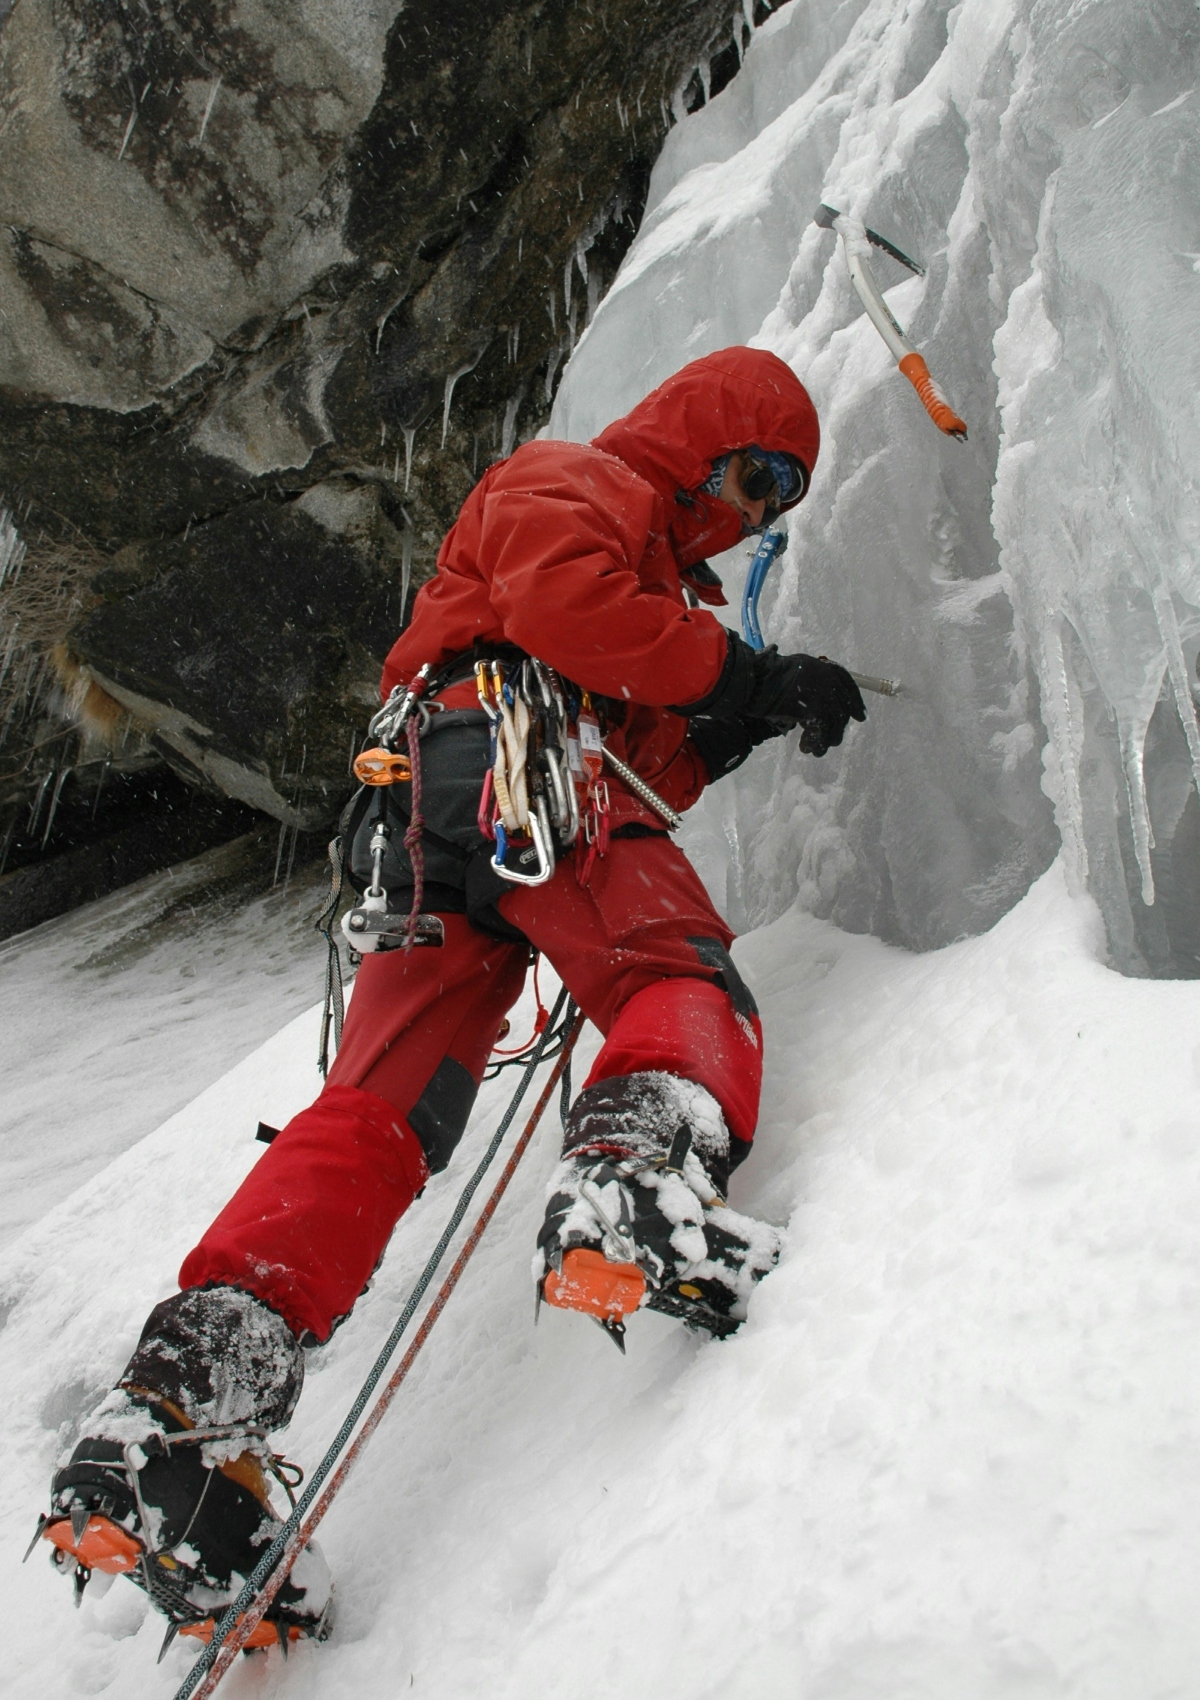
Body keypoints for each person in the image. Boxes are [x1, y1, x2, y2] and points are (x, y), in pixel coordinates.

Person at [35, 347, 866, 1647]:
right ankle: (634, 1180)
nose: (759, 512)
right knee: (671, 974)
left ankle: (178, 1420)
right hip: (513, 761)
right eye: (757, 474)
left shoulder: (647, 570)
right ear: (697, 436)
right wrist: (739, 673)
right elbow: (562, 609)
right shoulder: (576, 476)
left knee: (382, 1114)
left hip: (431, 821)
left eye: (782, 499)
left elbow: (646, 758)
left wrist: (733, 721)